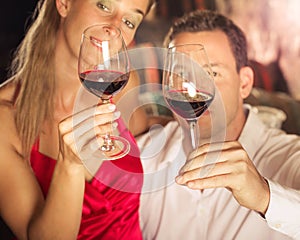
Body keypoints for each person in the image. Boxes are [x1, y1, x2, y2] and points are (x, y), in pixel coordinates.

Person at [0, 0, 156, 239]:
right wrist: (70, 166)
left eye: (128, 21)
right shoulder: (5, 117)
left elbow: (148, 135)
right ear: (64, 3)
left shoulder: (122, 86)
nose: (115, 28)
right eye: (104, 6)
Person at [138, 10, 300, 240]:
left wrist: (264, 196)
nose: (193, 90)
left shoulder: (289, 156)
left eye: (211, 73)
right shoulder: (142, 157)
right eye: (182, 75)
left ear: (244, 84)